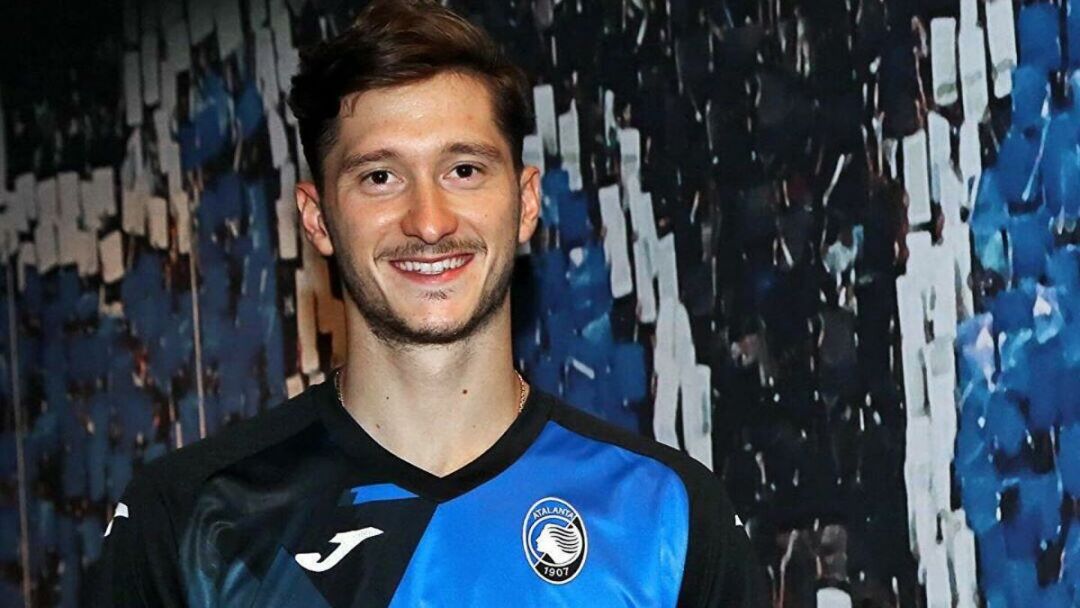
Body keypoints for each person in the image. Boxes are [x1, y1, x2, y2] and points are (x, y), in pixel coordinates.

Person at [92, 1, 767, 605]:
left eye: (464, 170)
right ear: (318, 219)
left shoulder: (667, 518)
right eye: (380, 177)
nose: (429, 221)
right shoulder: (192, 521)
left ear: (526, 202)